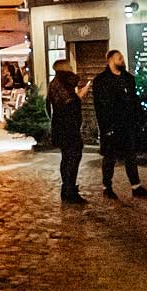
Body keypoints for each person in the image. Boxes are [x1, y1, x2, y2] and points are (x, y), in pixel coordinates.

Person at [91, 50, 147, 201]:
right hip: (111, 125)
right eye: (119, 58)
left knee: (130, 155)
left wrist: (139, 119)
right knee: (109, 157)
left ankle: (136, 186)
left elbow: (134, 100)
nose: (122, 60)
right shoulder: (101, 81)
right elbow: (100, 107)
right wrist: (105, 128)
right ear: (110, 60)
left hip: (128, 124)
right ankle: (107, 187)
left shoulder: (128, 78)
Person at [46, 60, 91, 204]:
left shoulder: (58, 83)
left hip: (63, 126)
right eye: (70, 67)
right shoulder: (60, 84)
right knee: (72, 157)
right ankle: (69, 189)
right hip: (67, 127)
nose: (72, 69)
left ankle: (68, 188)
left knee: (68, 157)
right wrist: (81, 95)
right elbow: (69, 104)